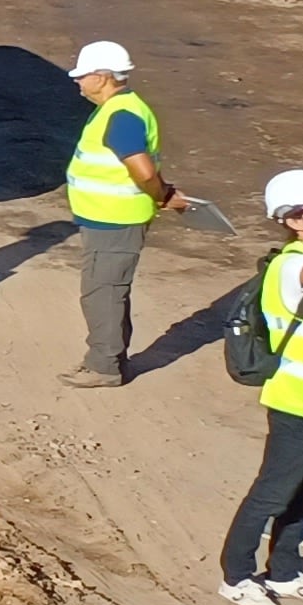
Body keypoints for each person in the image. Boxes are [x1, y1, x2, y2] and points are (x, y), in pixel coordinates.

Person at [222, 168, 303, 605]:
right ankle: (236, 577)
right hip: (299, 404)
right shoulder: (291, 265)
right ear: (293, 220)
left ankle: (286, 572)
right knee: (273, 493)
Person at [61, 39, 187, 385]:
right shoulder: (122, 110)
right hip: (110, 217)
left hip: (116, 219)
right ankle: (111, 358)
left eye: (83, 75)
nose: (78, 82)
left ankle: (104, 366)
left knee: (103, 292)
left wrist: (162, 196)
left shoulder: (122, 116)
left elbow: (143, 171)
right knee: (109, 290)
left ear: (101, 77)